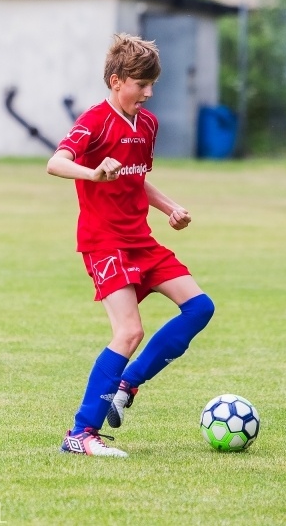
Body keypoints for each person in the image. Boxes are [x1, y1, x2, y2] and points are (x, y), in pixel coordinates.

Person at [47, 33, 215, 457]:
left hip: (140, 239)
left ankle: (129, 382)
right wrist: (93, 174)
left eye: (152, 84)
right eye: (142, 84)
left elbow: (137, 178)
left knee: (200, 307)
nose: (149, 93)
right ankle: (81, 434)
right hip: (104, 243)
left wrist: (170, 207)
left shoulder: (148, 125)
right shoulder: (95, 120)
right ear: (117, 80)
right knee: (129, 331)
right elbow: (56, 162)